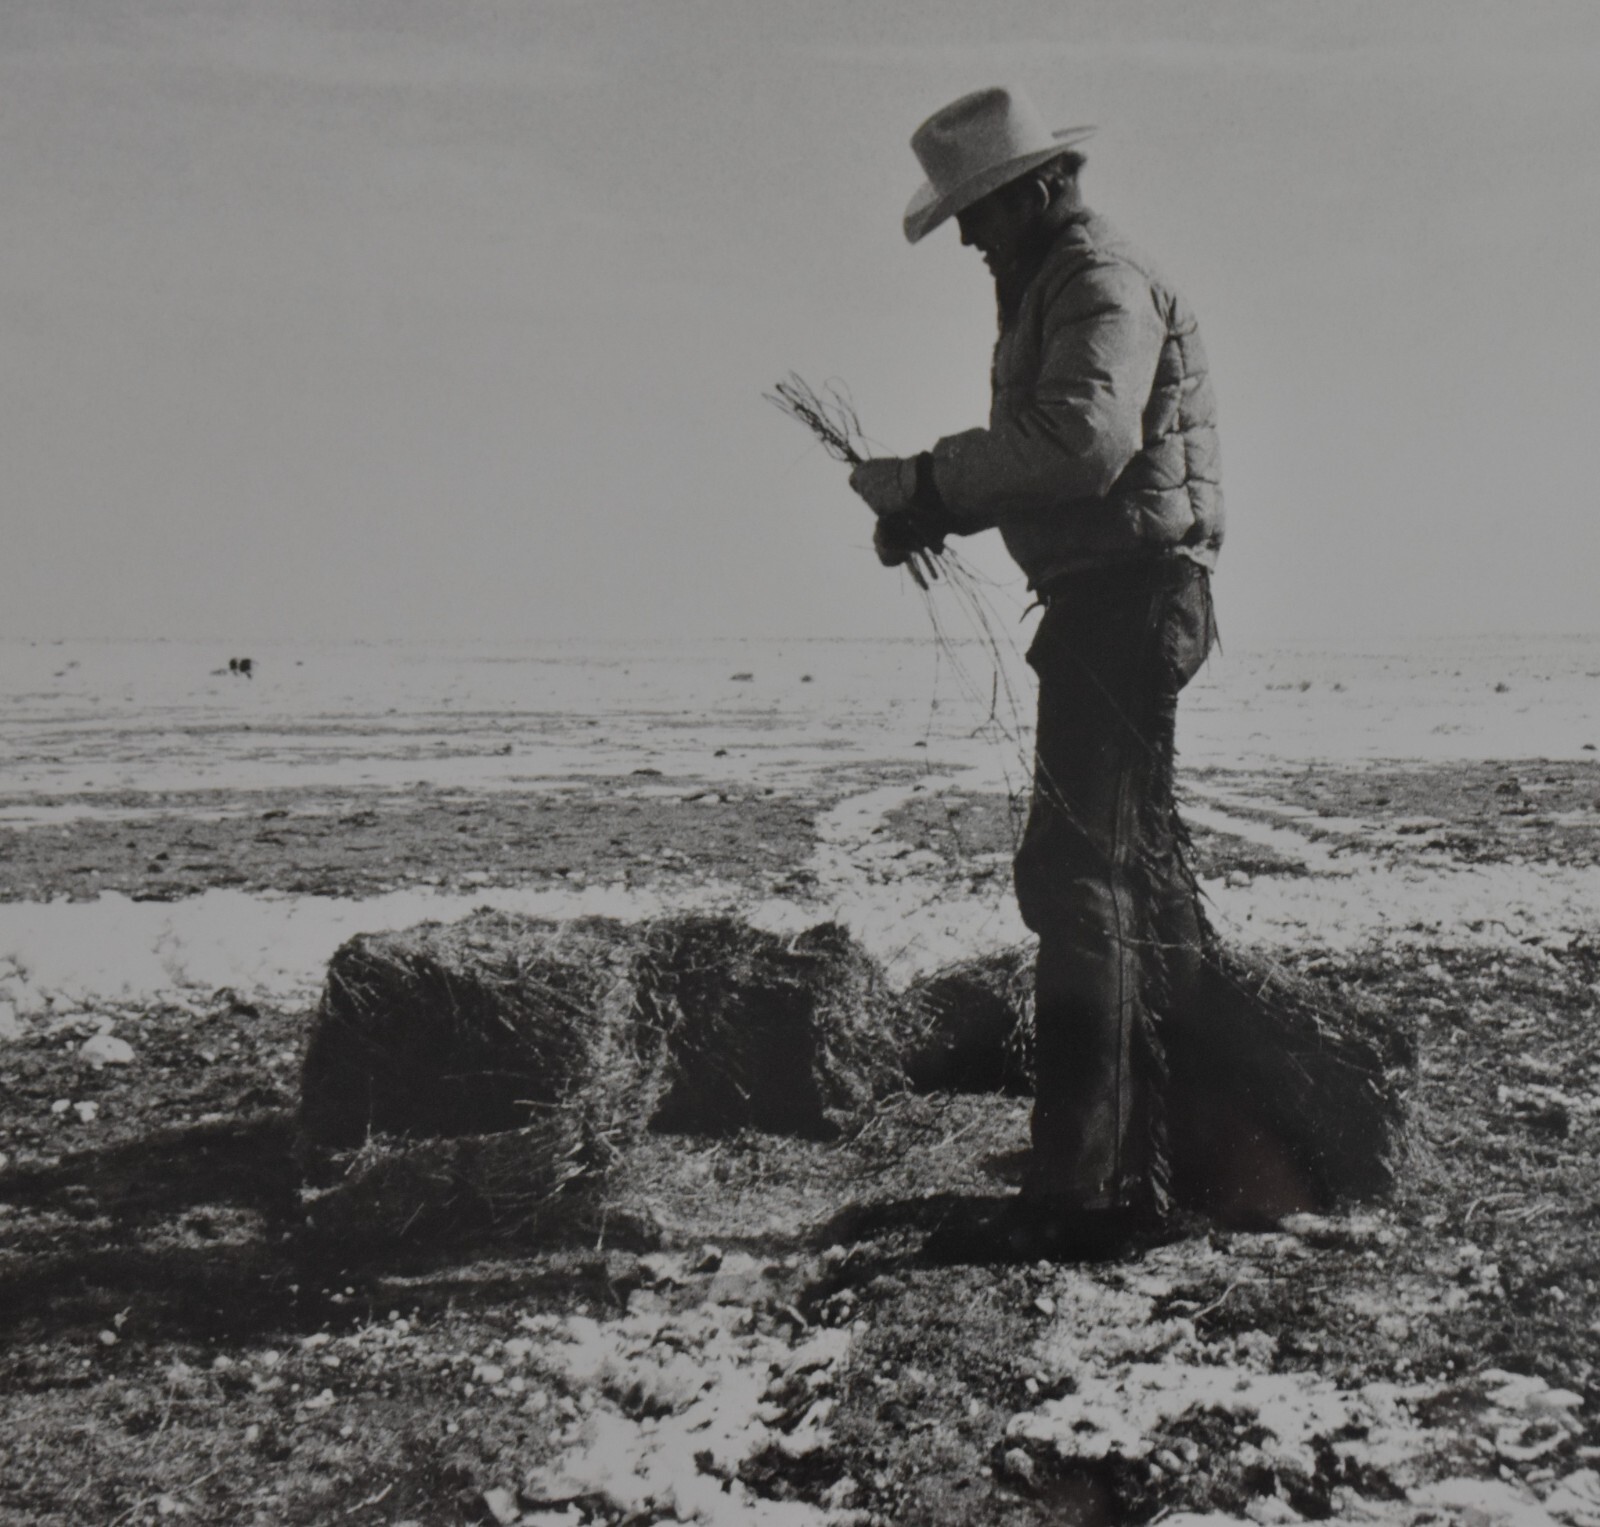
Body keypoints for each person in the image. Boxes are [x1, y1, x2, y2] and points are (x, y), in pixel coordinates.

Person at [849, 85, 1223, 1251]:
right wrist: (935, 508)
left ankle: (1088, 1191)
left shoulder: (1096, 281)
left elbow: (1080, 443)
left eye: (975, 210)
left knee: (1079, 879)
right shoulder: (1053, 284)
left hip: (1125, 602)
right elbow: (1059, 451)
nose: (966, 235)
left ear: (1036, 191)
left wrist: (928, 482)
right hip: (1110, 597)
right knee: (1133, 878)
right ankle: (1172, 1152)